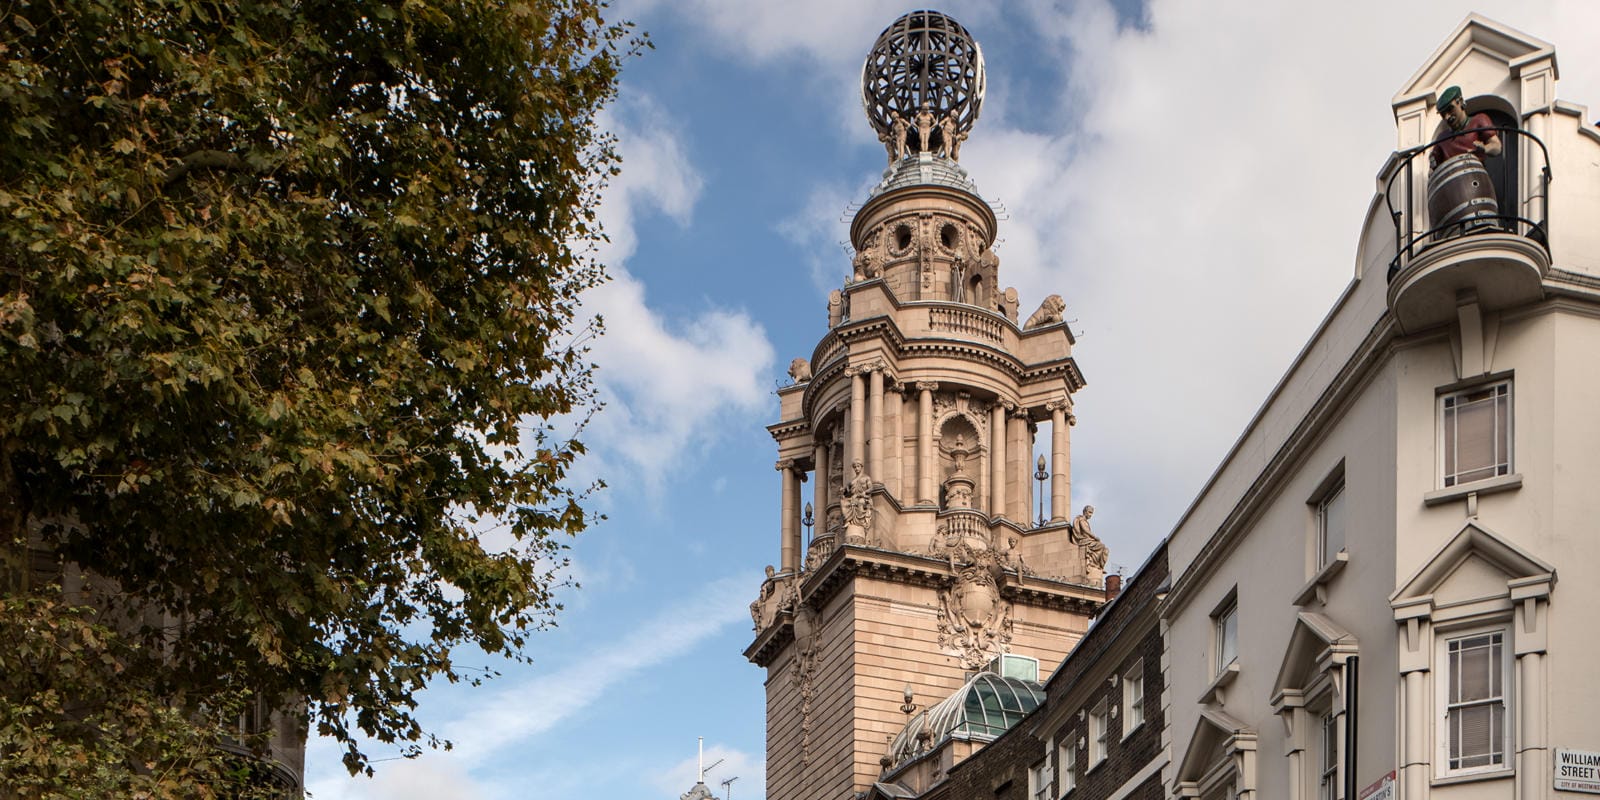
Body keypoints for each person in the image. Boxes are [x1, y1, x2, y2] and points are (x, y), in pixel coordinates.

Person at [1430, 85, 1502, 168]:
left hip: (1475, 175)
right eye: (1443, 115)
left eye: (1450, 109)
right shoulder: (1442, 138)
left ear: (1460, 102)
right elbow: (1432, 169)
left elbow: (1496, 146)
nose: (1447, 117)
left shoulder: (1479, 120)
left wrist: (1485, 148)